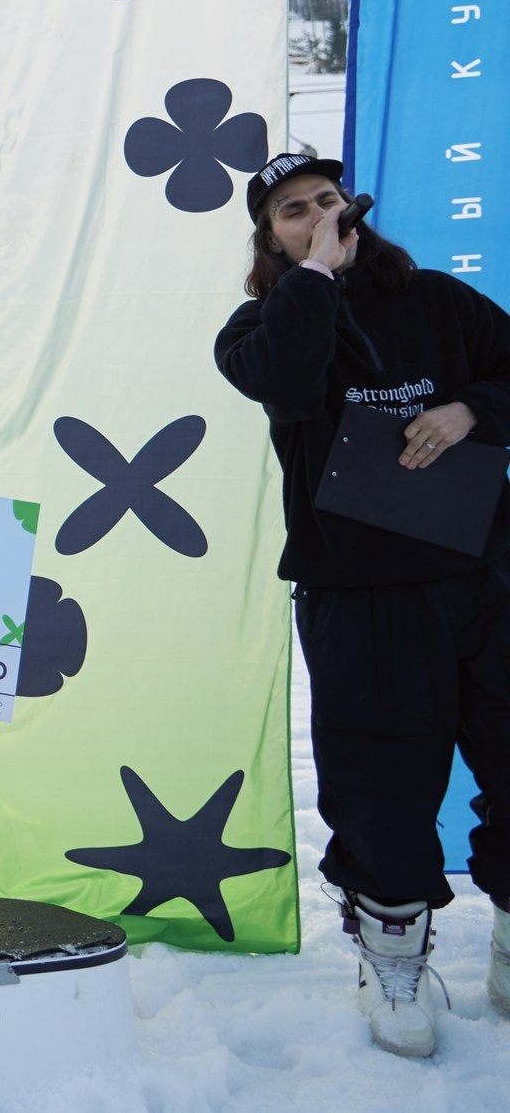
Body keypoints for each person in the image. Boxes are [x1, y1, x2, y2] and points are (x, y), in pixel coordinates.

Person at [215, 153, 510, 1058]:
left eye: (327, 201)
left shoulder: (441, 302)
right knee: (381, 786)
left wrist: (470, 410)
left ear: (356, 208)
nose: (315, 216)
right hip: (360, 597)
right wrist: (310, 278)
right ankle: (394, 962)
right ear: (269, 238)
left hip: (481, 575)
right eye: (291, 212)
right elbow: (288, 377)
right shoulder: (259, 325)